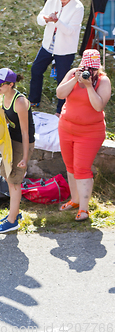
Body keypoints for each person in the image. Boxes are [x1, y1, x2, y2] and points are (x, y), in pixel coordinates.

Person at [56, 49, 111, 221]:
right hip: (66, 128)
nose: (90, 71)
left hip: (90, 132)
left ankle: (84, 209)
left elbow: (98, 106)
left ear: (98, 68)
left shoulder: (103, 81)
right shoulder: (73, 73)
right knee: (70, 166)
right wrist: (74, 79)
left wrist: (88, 86)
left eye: (93, 69)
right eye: (87, 67)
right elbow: (60, 94)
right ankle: (75, 200)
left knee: (82, 168)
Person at [0, 68, 35, 234]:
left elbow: (26, 132)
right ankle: (15, 213)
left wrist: (25, 158)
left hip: (22, 143)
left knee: (14, 181)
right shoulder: (5, 97)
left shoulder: (20, 102)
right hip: (10, 141)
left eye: (1, 84)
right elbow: (6, 121)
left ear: (11, 84)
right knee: (6, 174)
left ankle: (12, 221)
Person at [29, 0, 84, 115]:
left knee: (62, 79)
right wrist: (46, 19)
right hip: (48, 45)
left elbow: (71, 31)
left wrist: (56, 21)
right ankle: (33, 100)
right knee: (36, 70)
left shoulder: (78, 7)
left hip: (65, 49)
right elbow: (39, 18)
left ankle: (61, 109)